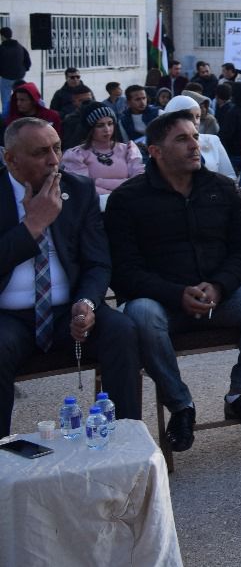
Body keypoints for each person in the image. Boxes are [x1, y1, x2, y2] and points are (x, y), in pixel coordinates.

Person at [106, 111, 241, 450]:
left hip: (219, 299)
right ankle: (181, 406)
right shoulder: (127, 199)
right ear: (155, 151)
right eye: (182, 139)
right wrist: (176, 294)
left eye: (195, 137)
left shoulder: (221, 188)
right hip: (164, 306)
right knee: (140, 312)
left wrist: (219, 285)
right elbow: (124, 271)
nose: (194, 145)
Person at [0, 117, 141, 438]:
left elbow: (98, 262)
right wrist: (32, 225)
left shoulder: (78, 190)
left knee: (121, 330)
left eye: (57, 148)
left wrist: (87, 302)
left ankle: (126, 441)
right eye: (40, 153)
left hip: (68, 309)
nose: (53, 160)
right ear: (10, 159)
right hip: (8, 317)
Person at [60, 102, 144, 202]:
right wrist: (117, 194)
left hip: (130, 202)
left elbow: (139, 180)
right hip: (96, 206)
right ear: (90, 128)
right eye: (100, 125)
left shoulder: (128, 150)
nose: (107, 129)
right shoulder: (77, 155)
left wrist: (98, 181)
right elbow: (83, 187)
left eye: (110, 123)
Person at [162, 95, 235, 179]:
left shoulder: (213, 140)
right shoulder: (163, 146)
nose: (195, 122)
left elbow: (230, 176)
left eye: (197, 117)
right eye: (189, 117)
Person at [0, 27, 30, 119]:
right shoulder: (20, 47)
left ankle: (6, 120)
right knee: (21, 98)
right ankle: (20, 117)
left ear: (2, 36)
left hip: (6, 78)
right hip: (19, 77)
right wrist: (23, 71)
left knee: (6, 101)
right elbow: (28, 62)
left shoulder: (1, 48)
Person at [120, 84, 159, 148]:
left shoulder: (158, 113)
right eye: (137, 99)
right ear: (128, 102)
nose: (142, 102)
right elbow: (126, 142)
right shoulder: (123, 120)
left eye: (144, 98)